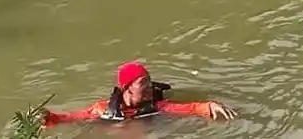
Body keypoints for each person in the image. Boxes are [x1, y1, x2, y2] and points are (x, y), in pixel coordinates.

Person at [41, 62, 236, 126]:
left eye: (150, 81)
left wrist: (209, 106)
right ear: (127, 88)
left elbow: (188, 107)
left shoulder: (157, 107)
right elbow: (70, 117)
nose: (150, 86)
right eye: (143, 82)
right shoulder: (102, 109)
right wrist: (48, 118)